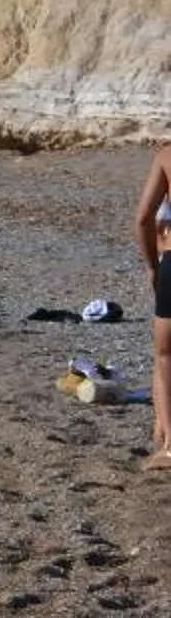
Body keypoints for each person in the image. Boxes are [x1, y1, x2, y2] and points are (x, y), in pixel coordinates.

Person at [139, 143, 171, 470]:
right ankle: (162, 431)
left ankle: (170, 447)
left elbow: (143, 218)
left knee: (165, 355)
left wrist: (152, 267)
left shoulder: (167, 156)